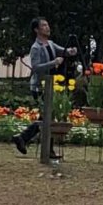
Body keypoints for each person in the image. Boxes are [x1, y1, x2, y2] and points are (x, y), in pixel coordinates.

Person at [13, 18, 75, 158]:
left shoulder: (51, 44)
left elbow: (62, 51)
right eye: (44, 26)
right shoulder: (36, 48)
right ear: (37, 30)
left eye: (47, 25)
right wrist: (54, 63)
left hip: (50, 85)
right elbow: (36, 68)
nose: (47, 27)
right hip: (40, 86)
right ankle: (29, 140)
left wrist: (70, 51)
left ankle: (27, 139)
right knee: (47, 117)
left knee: (48, 116)